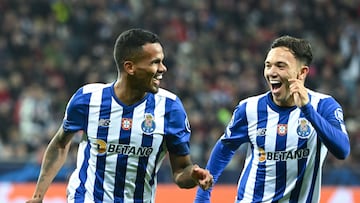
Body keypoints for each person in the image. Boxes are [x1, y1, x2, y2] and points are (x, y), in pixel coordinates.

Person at [26, 28, 213, 203]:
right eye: (155, 62)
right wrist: (38, 195)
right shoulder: (88, 99)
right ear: (130, 67)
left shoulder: (170, 108)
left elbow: (181, 170)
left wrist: (194, 176)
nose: (163, 68)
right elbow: (60, 144)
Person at [194, 35, 350, 203]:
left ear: (302, 72)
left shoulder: (323, 106)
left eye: (280, 66)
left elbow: (342, 150)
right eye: (268, 65)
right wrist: (202, 197)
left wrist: (307, 110)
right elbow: (224, 148)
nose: (271, 72)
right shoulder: (250, 108)